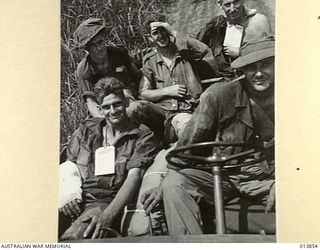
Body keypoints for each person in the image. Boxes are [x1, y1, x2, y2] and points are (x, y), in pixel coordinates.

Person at [141, 38, 275, 235]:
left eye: (266, 64)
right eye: (251, 67)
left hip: (268, 178)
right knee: (175, 183)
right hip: (225, 176)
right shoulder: (219, 97)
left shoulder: (296, 97)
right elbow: (186, 148)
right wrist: (164, 183)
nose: (258, 73)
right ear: (241, 71)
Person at [58, 77, 158, 240]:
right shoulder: (86, 130)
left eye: (117, 104)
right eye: (106, 107)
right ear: (99, 109)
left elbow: (134, 176)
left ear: (126, 102)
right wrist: (67, 194)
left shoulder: (142, 136)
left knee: (75, 237)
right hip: (76, 197)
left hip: (104, 201)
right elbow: (69, 164)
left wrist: (108, 215)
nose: (113, 111)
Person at [128, 16, 209, 141]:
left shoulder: (184, 51)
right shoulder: (150, 61)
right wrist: (168, 90)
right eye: (155, 33)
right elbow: (144, 93)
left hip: (187, 109)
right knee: (133, 108)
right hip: (163, 113)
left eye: (163, 30)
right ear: (150, 38)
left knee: (187, 129)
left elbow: (203, 50)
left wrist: (173, 31)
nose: (160, 35)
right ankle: (153, 139)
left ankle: (184, 142)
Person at [73, 18, 142, 118]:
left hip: (127, 94)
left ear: (104, 39)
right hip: (105, 104)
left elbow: (137, 74)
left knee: (127, 103)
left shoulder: (118, 53)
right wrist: (103, 120)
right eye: (93, 45)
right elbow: (91, 102)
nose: (99, 48)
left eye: (100, 42)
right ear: (87, 48)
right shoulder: (84, 70)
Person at [197, 0, 272, 78]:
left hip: (255, 77)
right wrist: (183, 81)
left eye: (236, 2)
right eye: (227, 4)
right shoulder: (216, 24)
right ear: (220, 5)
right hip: (227, 80)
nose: (232, 9)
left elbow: (271, 54)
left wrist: (241, 52)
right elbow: (190, 47)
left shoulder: (258, 20)